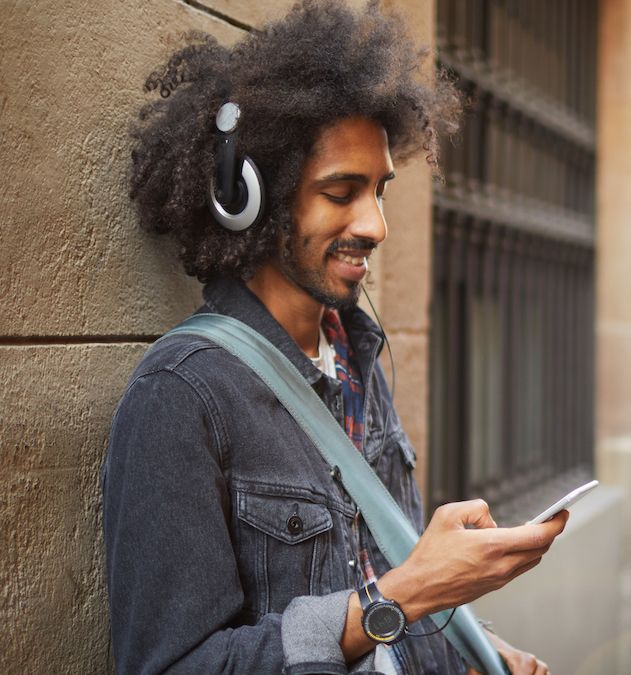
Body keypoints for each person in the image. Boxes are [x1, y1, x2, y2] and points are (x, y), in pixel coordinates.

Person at [102, 2, 563, 673]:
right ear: (249, 198)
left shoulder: (358, 360)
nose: (376, 224)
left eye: (378, 190)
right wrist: (400, 598)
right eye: (341, 191)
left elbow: (380, 573)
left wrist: (473, 648)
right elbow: (172, 665)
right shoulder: (182, 396)